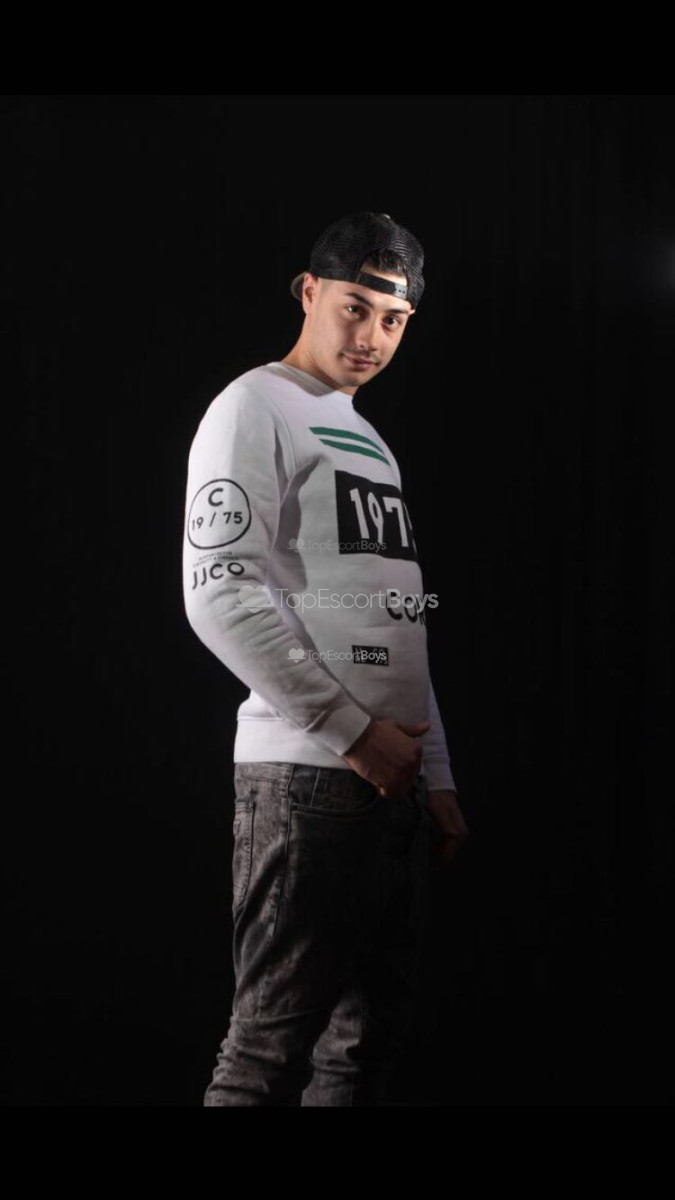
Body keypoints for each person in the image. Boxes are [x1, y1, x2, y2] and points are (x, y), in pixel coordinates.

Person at [182, 211, 468, 1106]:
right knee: (265, 1055)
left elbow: (398, 616)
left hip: (389, 782)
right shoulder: (253, 405)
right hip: (307, 777)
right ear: (308, 292)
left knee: (363, 1050)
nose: (372, 336)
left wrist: (431, 772)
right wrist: (352, 734)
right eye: (355, 307)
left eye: (394, 320)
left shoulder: (367, 439)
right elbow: (219, 593)